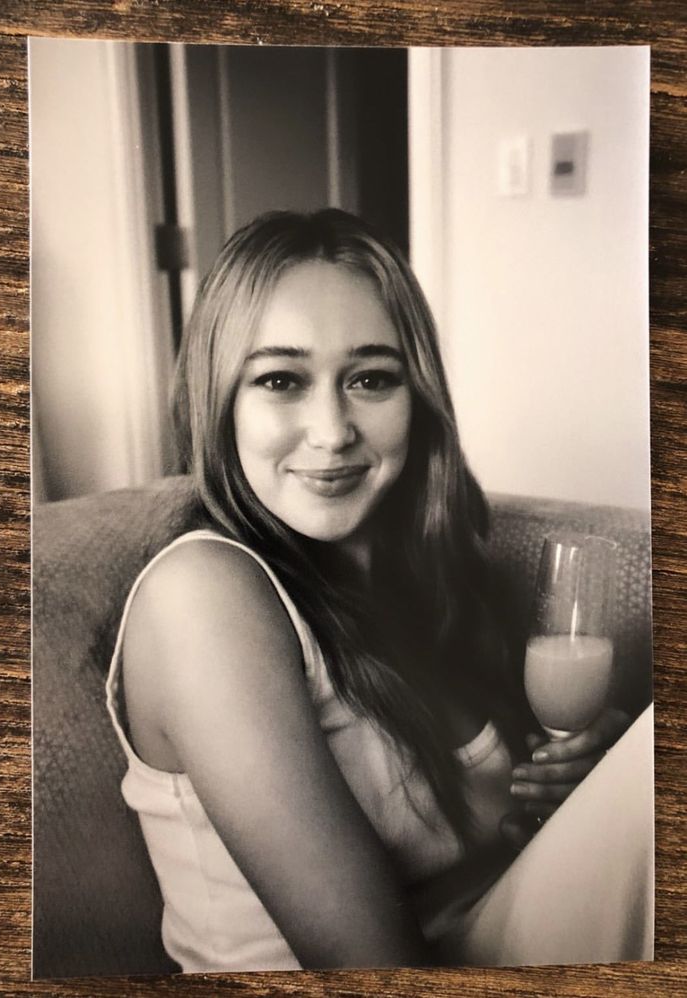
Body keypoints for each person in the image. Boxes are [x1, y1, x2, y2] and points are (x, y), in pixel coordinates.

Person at [105, 208, 638, 973]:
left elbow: (497, 853)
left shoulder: (428, 577)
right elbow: (367, 963)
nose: (331, 430)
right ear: (217, 400)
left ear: (416, 399)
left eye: (370, 379)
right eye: (280, 379)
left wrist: (583, 794)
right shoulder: (204, 595)